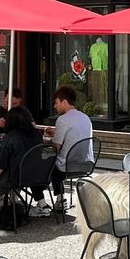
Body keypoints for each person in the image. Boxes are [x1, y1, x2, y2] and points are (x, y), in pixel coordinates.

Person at [30, 86, 92, 217]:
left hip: (66, 167)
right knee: (56, 162)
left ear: (64, 102)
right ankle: (60, 200)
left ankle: (42, 205)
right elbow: (74, 136)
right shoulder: (85, 118)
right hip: (85, 165)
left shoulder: (63, 119)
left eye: (56, 103)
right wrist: (57, 133)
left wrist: (47, 140)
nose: (55, 106)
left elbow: (55, 148)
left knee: (35, 167)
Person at [0, 106, 43, 213]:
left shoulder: (10, 137)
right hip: (37, 175)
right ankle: (14, 199)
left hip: (16, 178)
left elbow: (2, 166)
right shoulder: (37, 134)